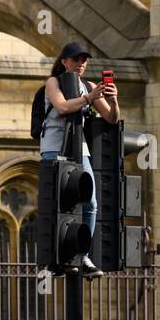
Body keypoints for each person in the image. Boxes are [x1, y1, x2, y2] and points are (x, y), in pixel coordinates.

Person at [39, 41, 120, 277]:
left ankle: (82, 255)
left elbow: (112, 119)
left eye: (84, 60)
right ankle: (58, 261)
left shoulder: (89, 86)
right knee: (60, 205)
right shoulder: (53, 82)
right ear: (64, 61)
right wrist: (89, 98)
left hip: (80, 149)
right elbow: (63, 107)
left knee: (90, 202)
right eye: (76, 59)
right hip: (54, 148)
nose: (80, 64)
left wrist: (113, 100)